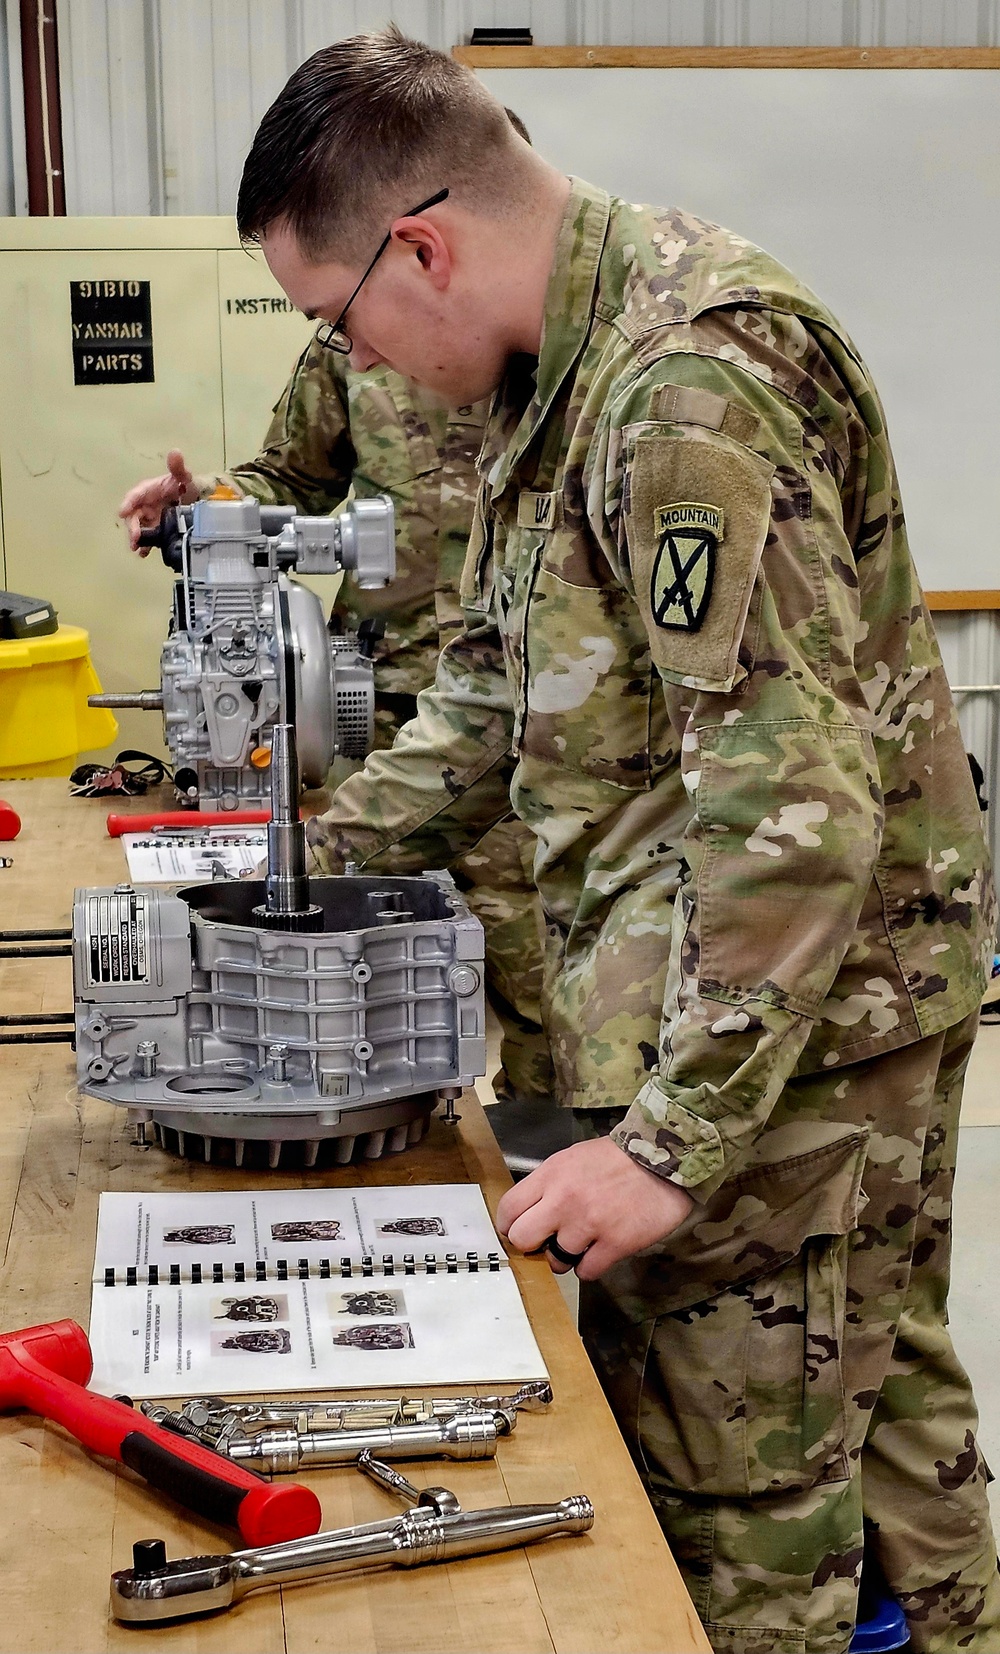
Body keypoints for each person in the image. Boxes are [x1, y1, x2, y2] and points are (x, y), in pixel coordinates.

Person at [232, 27, 998, 1654]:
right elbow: (496, 696)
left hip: (799, 1040)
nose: (352, 365)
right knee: (881, 1384)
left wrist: (668, 1144)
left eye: (335, 318)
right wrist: (281, 863)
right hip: (774, 1011)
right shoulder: (555, 378)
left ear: (417, 245)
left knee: (742, 1468)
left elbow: (794, 812)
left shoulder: (682, 380)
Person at [117, 124, 553, 1115]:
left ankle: (532, 1205)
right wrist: (206, 511)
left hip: (539, 738)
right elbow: (288, 481)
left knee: (549, 1007)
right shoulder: (354, 345)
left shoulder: (569, 368)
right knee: (361, 979)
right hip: (383, 720)